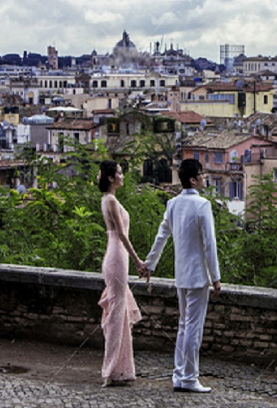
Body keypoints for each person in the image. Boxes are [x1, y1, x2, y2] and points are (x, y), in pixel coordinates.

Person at [140, 159, 221, 394]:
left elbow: (161, 236)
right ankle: (189, 377)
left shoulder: (173, 204)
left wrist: (150, 263)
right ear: (193, 179)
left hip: (181, 273)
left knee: (184, 326)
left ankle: (180, 374)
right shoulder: (202, 205)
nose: (205, 178)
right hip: (198, 276)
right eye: (202, 175)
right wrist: (215, 277)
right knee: (193, 327)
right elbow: (209, 245)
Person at [97, 160, 146, 387]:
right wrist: (138, 261)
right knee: (117, 314)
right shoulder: (112, 201)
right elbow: (123, 236)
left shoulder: (107, 200)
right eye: (119, 172)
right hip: (117, 256)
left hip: (114, 255)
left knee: (120, 311)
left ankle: (118, 369)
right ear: (111, 177)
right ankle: (110, 368)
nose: (122, 175)